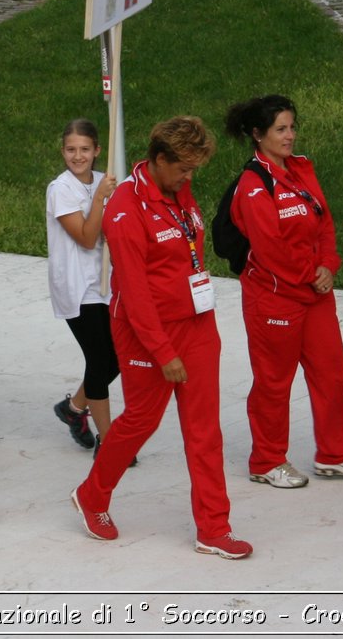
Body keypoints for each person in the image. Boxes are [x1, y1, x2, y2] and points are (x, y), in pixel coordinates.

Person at [70, 116, 252, 559]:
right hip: (144, 333)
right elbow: (134, 294)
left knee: (205, 429)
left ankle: (213, 528)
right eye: (184, 169)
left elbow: (186, 247)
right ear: (158, 160)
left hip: (196, 324)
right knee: (141, 421)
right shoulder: (126, 210)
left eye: (194, 170)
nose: (189, 178)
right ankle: (93, 495)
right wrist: (163, 352)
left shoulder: (177, 188)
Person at [224, 94, 343, 488]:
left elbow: (324, 221)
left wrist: (329, 265)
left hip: (315, 293)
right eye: (281, 129)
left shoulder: (302, 169)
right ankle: (267, 460)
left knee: (331, 373)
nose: (290, 135)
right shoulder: (253, 185)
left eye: (292, 127)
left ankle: (335, 454)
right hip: (274, 297)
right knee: (274, 381)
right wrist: (312, 273)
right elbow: (271, 247)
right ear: (258, 136)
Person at [45, 118, 119, 450]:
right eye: (71, 150)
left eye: (85, 149)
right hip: (76, 287)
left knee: (116, 357)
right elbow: (88, 239)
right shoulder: (60, 189)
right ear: (63, 151)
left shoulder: (107, 180)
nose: (78, 156)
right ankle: (108, 438)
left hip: (105, 284)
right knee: (99, 360)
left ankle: (74, 408)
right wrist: (102, 199)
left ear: (97, 150)